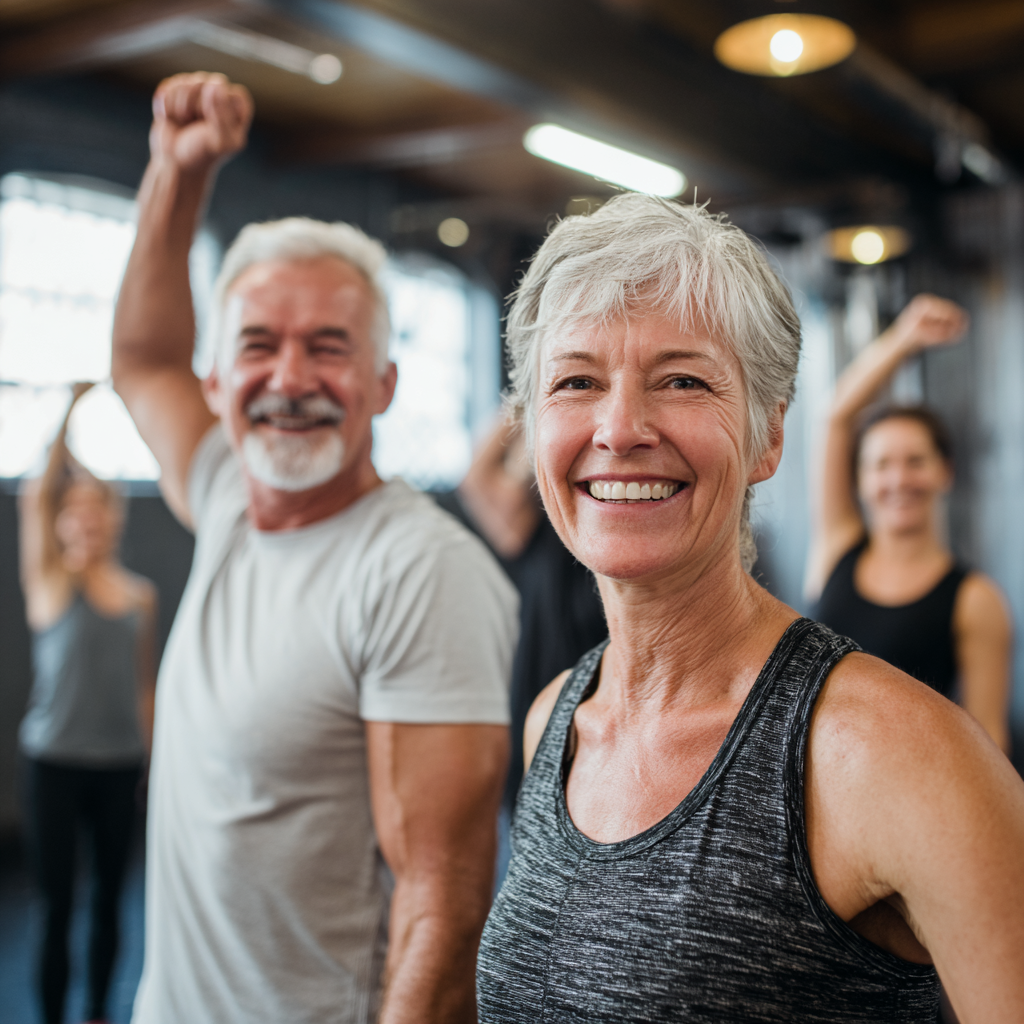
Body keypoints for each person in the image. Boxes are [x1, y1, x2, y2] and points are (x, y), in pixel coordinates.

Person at [475, 194, 1024, 1023]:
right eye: (576, 381)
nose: (620, 427)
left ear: (769, 434)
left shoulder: (896, 756)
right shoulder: (554, 720)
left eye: (684, 380)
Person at [111, 72, 518, 1024]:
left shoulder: (419, 571)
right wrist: (177, 174)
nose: (289, 378)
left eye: (328, 347)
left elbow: (443, 908)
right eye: (259, 343)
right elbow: (141, 358)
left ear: (382, 382)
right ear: (217, 378)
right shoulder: (222, 494)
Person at [806, 294, 1011, 751]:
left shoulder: (976, 600)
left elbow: (988, 741)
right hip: (809, 792)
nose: (898, 479)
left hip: (906, 805)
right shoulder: (836, 548)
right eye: (881, 464)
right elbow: (834, 417)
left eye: (915, 460)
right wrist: (903, 340)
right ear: (860, 479)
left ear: (945, 470)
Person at [18, 382, 157, 1024]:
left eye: (95, 508)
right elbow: (34, 495)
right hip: (53, 763)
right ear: (63, 520)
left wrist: (150, 763)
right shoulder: (49, 580)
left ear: (111, 517)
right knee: (54, 906)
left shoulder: (137, 596)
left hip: (118, 765)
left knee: (108, 902)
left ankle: (99, 1011)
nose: (85, 518)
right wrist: (70, 409)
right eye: (73, 510)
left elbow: (144, 689)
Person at [436, 417, 606, 873]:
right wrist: (531, 407)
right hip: (520, 753)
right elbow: (481, 476)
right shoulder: (507, 530)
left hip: (585, 751)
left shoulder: (593, 539)